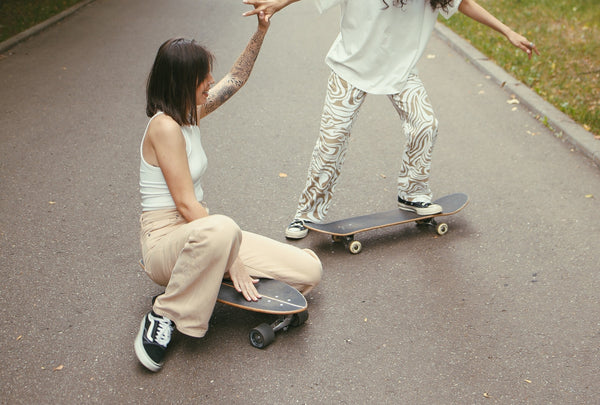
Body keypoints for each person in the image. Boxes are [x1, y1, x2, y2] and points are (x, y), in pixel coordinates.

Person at [242, 0, 540, 239]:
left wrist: (507, 31)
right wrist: (278, 3)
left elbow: (463, 3)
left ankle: (412, 192)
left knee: (425, 124)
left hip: (400, 70)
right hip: (350, 68)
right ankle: (307, 212)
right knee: (332, 139)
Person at [134, 10, 322, 372]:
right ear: (181, 81)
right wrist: (233, 257)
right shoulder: (164, 127)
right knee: (222, 227)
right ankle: (165, 314)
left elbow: (236, 78)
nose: (211, 80)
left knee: (309, 271)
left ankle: (205, 272)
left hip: (203, 235)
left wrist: (261, 30)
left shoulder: (190, 113)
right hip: (165, 243)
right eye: (203, 76)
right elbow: (188, 207)